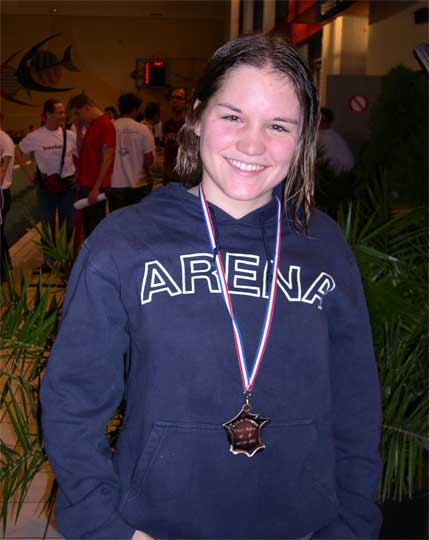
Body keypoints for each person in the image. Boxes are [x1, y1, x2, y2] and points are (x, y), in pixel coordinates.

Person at [41, 34, 381, 540]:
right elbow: (73, 396)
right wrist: (104, 525)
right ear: (197, 117)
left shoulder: (324, 246)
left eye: (278, 125)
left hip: (303, 526)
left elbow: (357, 400)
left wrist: (350, 523)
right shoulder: (125, 243)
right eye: (233, 116)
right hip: (156, 525)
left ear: (303, 137)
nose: (252, 144)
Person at [15, 99, 77, 272]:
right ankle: (49, 261)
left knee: (68, 224)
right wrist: (29, 173)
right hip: (46, 187)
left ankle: (66, 259)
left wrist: (78, 174)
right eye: (59, 112)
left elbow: (79, 155)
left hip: (68, 185)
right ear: (48, 115)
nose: (63, 115)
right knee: (47, 225)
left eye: (63, 112)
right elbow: (18, 151)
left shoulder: (70, 135)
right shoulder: (35, 136)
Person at [68, 93, 116, 237]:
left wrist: (96, 188)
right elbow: (82, 152)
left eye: (78, 113)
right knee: (87, 226)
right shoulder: (91, 125)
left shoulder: (105, 125)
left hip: (94, 185)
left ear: (87, 108)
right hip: (86, 183)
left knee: (95, 227)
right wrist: (78, 130)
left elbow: (108, 158)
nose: (78, 118)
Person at [109, 93, 155, 211]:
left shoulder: (110, 127)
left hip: (115, 184)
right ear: (135, 109)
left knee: (118, 219)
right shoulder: (143, 129)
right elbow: (148, 159)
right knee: (137, 219)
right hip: (138, 183)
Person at [317, 107, 355, 174]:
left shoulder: (331, 137)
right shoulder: (319, 133)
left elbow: (327, 159)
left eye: (323, 120)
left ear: (329, 122)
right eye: (318, 119)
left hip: (342, 173)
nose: (320, 122)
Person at [0, 115, 15, 278]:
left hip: (1, 192)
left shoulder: (4, 140)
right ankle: (6, 266)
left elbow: (3, 169)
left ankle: (4, 271)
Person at [162, 87, 186, 183]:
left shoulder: (190, 124)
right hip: (168, 172)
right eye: (173, 98)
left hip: (183, 172)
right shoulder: (167, 124)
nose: (175, 101)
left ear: (185, 101)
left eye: (179, 98)